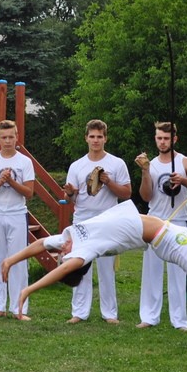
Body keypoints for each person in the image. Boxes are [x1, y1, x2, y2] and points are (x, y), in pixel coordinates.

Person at [1, 200, 187, 372]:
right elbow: (63, 268)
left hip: (172, 229)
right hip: (168, 240)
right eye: (64, 254)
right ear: (74, 260)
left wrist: (11, 260)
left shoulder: (69, 239)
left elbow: (40, 244)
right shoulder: (85, 250)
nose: (62, 248)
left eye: (61, 250)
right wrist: (29, 289)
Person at [135, 122, 187, 331]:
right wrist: (145, 172)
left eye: (166, 138)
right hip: (154, 221)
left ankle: (179, 320)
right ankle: (149, 316)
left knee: (178, 272)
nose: (162, 142)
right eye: (159, 138)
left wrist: (183, 180)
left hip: (178, 220)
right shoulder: (152, 163)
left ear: (174, 139)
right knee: (151, 271)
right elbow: (146, 196)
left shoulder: (185, 161)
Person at [61, 119, 131, 324]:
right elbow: (70, 198)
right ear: (86, 138)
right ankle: (79, 312)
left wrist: (108, 182)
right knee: (80, 266)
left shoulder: (116, 163)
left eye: (99, 136)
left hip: (107, 220)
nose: (95, 140)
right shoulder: (77, 165)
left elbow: (127, 193)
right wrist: (69, 194)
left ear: (105, 138)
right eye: (92, 136)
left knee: (106, 268)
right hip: (82, 220)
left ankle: (109, 313)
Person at [0, 120, 35, 319]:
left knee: (18, 260)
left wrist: (11, 181)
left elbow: (29, 192)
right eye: (4, 137)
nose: (8, 141)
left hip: (17, 214)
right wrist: (0, 181)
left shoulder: (24, 162)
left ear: (17, 137)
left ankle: (19, 308)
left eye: (11, 137)